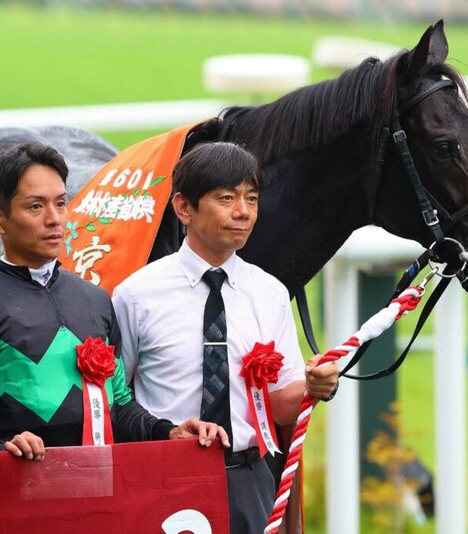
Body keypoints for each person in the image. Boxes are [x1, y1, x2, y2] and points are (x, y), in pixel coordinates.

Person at [0, 142, 228, 521]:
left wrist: (168, 432)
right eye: (35, 207)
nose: (55, 219)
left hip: (99, 502)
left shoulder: (95, 300)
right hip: (16, 505)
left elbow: (118, 406)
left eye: (61, 203)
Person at [112, 141, 340, 533]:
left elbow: (280, 406)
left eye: (252, 198)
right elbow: (115, 398)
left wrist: (313, 387)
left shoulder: (269, 293)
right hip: (165, 477)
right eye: (226, 198)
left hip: (249, 481)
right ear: (184, 207)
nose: (243, 212)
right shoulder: (137, 294)